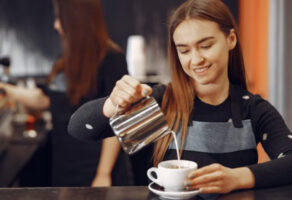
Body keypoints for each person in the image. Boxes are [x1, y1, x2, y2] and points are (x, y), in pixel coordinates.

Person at [68, 0, 292, 194]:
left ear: (231, 39)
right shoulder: (163, 102)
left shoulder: (253, 109)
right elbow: (80, 129)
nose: (196, 60)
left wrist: (238, 178)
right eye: (184, 51)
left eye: (205, 45)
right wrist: (112, 103)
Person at [0, 0, 130, 187]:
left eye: (60, 18)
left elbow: (118, 119)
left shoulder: (111, 58)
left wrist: (103, 174)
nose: (56, 25)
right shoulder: (66, 59)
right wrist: (7, 90)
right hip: (66, 166)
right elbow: (47, 100)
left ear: (76, 19)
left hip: (97, 168)